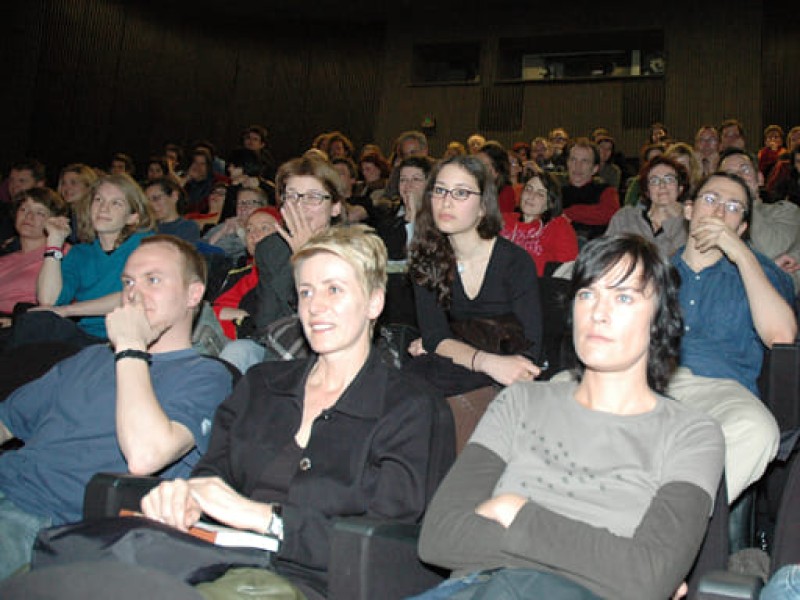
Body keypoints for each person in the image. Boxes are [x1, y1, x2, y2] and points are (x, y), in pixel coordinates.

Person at [413, 234, 725, 600]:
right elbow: (440, 537)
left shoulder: (691, 434)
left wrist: (517, 512)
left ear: (661, 319)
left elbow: (648, 577)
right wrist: (608, 565)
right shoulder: (521, 402)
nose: (598, 313)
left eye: (623, 297)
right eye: (586, 294)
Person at [141, 225, 438, 600]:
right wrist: (180, 499)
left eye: (334, 289)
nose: (315, 306)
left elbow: (385, 540)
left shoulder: (408, 406)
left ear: (375, 302)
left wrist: (266, 519)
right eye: (306, 292)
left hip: (316, 584)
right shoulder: (261, 385)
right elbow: (212, 474)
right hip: (213, 560)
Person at [0, 235, 233, 580]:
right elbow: (6, 421)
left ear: (193, 294)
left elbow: (145, 456)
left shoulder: (206, 377)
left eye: (153, 280)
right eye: (127, 282)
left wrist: (130, 348)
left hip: (49, 524)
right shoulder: (90, 358)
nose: (134, 294)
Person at [668, 171, 796, 501]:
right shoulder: (654, 269)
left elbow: (782, 336)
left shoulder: (761, 273)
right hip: (653, 382)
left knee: (758, 430)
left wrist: (740, 254)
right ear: (688, 211)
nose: (720, 212)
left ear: (742, 228)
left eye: (734, 207)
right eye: (710, 200)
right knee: (563, 387)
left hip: (722, 392)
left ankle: (673, 521)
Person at [404, 155, 543, 396]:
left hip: (510, 372)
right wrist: (485, 362)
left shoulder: (515, 263)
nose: (446, 202)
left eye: (460, 193)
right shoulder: (427, 260)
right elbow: (435, 337)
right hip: (467, 367)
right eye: (440, 190)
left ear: (483, 207)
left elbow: (530, 347)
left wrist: (448, 347)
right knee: (416, 375)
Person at [222, 156, 343, 372]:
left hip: (336, 343)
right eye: (292, 196)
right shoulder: (270, 249)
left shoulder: (354, 249)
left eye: (313, 197)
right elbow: (268, 322)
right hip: (283, 340)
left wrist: (306, 257)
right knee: (239, 351)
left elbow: (338, 318)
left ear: (335, 207)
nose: (300, 207)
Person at [31, 173, 155, 344]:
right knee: (30, 321)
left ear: (132, 217)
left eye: (116, 203)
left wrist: (69, 310)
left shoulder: (146, 246)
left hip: (129, 336)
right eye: (98, 200)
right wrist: (54, 242)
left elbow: (134, 295)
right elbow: (48, 301)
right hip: (85, 337)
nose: (103, 208)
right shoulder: (81, 253)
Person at [212, 208, 279, 340]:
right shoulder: (236, 275)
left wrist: (241, 317)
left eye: (264, 228)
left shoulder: (286, 275)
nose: (254, 234)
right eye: (249, 229)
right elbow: (210, 313)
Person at [0, 188, 68, 318]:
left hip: (28, 323)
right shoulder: (5, 259)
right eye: (24, 209)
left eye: (40, 213)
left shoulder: (63, 253)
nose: (29, 216)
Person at [500, 164, 578, 276]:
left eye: (540, 194)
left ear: (550, 203)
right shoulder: (503, 219)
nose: (531, 196)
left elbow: (565, 272)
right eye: (528, 189)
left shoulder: (558, 226)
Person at [606, 155, 690, 257]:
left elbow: (686, 261)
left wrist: (676, 219)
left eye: (669, 179)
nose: (662, 185)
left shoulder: (689, 223)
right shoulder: (625, 217)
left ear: (680, 188)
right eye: (654, 181)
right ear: (647, 191)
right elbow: (607, 255)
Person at [560, 138, 620, 240]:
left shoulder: (607, 191)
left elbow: (610, 214)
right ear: (567, 164)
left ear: (594, 169)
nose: (577, 166)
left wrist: (569, 213)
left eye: (585, 161)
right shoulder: (557, 192)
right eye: (573, 160)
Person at [203, 187, 268, 261]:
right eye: (240, 203)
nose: (243, 207)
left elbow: (256, 253)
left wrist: (240, 232)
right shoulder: (225, 226)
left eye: (249, 203)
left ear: (262, 207)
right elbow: (199, 250)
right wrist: (221, 232)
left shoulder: (265, 230)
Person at [144, 177, 200, 243]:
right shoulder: (147, 226)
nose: (151, 205)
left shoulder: (187, 227)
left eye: (156, 198)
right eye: (147, 201)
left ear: (174, 196)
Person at [475, 141, 516, 213]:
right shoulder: (475, 187)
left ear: (497, 170)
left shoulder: (506, 193)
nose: (477, 168)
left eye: (483, 165)